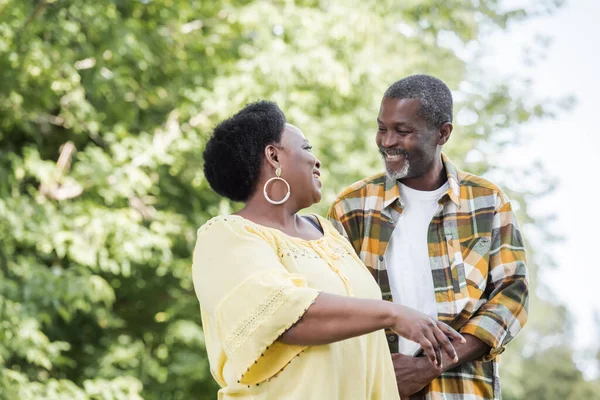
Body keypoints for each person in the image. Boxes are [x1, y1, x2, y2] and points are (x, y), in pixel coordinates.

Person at [192, 100, 465, 400]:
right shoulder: (226, 235)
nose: (316, 161)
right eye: (307, 148)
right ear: (273, 156)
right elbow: (285, 315)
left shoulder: (331, 233)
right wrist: (394, 315)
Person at [328, 75, 529, 400]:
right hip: (372, 389)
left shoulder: (487, 201)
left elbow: (512, 296)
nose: (387, 141)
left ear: (443, 133)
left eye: (403, 131)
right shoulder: (351, 208)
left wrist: (428, 367)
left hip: (462, 391)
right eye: (382, 128)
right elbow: (333, 308)